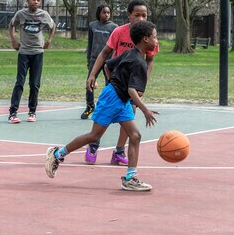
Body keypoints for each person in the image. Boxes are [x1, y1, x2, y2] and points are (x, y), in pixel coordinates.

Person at [45, 20, 159, 191]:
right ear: (145, 39)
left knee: (135, 136)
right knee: (93, 136)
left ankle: (130, 178)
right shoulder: (139, 63)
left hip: (120, 99)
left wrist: (113, 83)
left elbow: (108, 66)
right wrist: (145, 110)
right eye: (155, 37)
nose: (157, 41)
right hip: (115, 98)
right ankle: (57, 155)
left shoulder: (130, 53)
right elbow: (132, 90)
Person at [84, 0, 159, 166]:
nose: (141, 18)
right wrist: (93, 75)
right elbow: (104, 54)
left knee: (129, 116)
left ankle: (118, 151)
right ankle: (94, 143)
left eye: (144, 15)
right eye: (137, 15)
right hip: (117, 81)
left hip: (133, 82)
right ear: (129, 16)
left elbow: (150, 60)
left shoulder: (149, 36)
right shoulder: (119, 32)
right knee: (105, 116)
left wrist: (142, 82)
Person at [7, 0, 55, 124]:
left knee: (34, 84)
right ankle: (13, 113)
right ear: (27, 0)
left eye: (38, 0)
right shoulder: (21, 14)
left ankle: (32, 112)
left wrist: (49, 40)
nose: (36, 2)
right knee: (20, 82)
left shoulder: (43, 15)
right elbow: (11, 25)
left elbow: (52, 26)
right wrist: (13, 40)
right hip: (24, 53)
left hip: (38, 53)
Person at [81, 4, 118, 119]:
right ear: (98, 13)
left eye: (108, 12)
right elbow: (90, 44)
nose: (106, 15)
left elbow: (116, 46)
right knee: (89, 83)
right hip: (94, 59)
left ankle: (109, 107)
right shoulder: (92, 25)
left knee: (110, 85)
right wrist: (89, 60)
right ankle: (90, 106)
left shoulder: (114, 27)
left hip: (109, 61)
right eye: (104, 12)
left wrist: (115, 61)